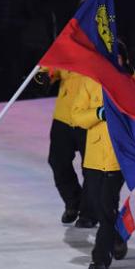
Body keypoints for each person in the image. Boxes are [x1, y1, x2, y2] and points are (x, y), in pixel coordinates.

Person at [70, 41, 135, 269]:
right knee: (96, 203)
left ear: (125, 59)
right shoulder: (90, 83)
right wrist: (98, 113)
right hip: (93, 157)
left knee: (106, 206)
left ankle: (100, 256)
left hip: (119, 157)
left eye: (117, 58)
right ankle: (116, 238)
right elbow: (76, 116)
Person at [41, 67, 98, 227]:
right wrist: (44, 75)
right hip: (63, 117)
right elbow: (50, 68)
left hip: (90, 117)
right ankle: (74, 201)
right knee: (57, 161)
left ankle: (89, 212)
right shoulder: (68, 46)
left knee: (92, 168)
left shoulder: (100, 47)